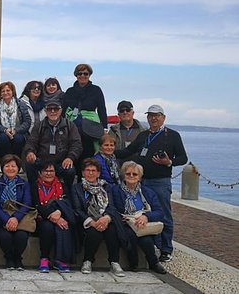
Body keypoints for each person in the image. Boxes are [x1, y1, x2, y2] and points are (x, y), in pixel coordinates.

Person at [115, 104, 188, 263]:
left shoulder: (173, 135)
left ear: (163, 117)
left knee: (163, 214)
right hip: (141, 182)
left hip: (160, 181)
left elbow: (183, 158)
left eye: (157, 115)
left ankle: (166, 249)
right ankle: (153, 244)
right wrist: (106, 151)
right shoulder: (143, 135)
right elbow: (127, 152)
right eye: (150, 115)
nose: (153, 118)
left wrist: (169, 162)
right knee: (144, 214)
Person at [71, 158, 125, 276]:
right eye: (88, 170)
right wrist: (92, 222)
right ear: (83, 172)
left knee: (112, 231)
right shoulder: (77, 188)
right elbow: (77, 209)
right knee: (94, 233)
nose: (91, 173)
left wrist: (106, 218)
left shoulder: (106, 187)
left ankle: (114, 262)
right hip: (86, 221)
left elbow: (111, 206)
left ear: (98, 173)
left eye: (94, 170)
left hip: (105, 219)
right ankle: (87, 261)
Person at [112, 161, 168, 274]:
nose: (131, 176)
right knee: (130, 235)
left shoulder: (148, 192)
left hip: (143, 223)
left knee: (146, 240)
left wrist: (146, 217)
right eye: (128, 174)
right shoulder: (115, 190)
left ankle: (154, 263)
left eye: (135, 174)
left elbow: (160, 212)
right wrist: (122, 217)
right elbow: (112, 208)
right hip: (125, 223)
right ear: (123, 175)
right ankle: (133, 263)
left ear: (140, 177)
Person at [23, 100, 81, 195]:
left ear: (61, 111)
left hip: (61, 163)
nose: (53, 111)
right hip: (42, 162)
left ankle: (66, 195)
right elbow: (31, 142)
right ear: (46, 111)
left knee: (70, 171)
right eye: (50, 109)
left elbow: (77, 144)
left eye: (56, 109)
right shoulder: (39, 126)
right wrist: (30, 152)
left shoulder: (70, 125)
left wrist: (70, 157)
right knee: (29, 165)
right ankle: (34, 195)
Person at [63, 63, 108, 179]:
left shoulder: (96, 90)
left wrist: (105, 127)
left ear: (89, 75)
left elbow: (102, 108)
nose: (82, 76)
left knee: (88, 151)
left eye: (85, 74)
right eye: (80, 73)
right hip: (73, 124)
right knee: (74, 148)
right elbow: (64, 109)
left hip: (90, 126)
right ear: (76, 75)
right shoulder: (70, 91)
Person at [33, 162, 75, 273]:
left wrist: (59, 213)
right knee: (47, 227)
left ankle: (60, 260)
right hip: (41, 217)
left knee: (64, 226)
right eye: (45, 171)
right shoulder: (35, 185)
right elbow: (36, 204)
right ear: (40, 173)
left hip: (60, 215)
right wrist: (51, 215)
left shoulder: (62, 185)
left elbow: (67, 202)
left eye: (51, 171)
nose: (48, 173)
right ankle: (44, 258)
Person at [0, 155, 31, 270]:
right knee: (5, 237)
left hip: (20, 218)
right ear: (2, 168)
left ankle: (17, 259)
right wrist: (7, 219)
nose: (10, 168)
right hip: (1, 218)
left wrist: (15, 218)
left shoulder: (24, 184)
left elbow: (27, 203)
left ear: (18, 168)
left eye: (13, 166)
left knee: (21, 236)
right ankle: (9, 258)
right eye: (7, 166)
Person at [0, 81, 31, 162]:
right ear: (0, 93)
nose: (5, 93)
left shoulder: (21, 105)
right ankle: (3, 162)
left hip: (19, 132)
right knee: (3, 138)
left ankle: (17, 163)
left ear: (12, 92)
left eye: (8, 90)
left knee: (18, 139)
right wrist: (5, 130)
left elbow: (27, 121)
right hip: (2, 132)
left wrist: (16, 130)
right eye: (3, 91)